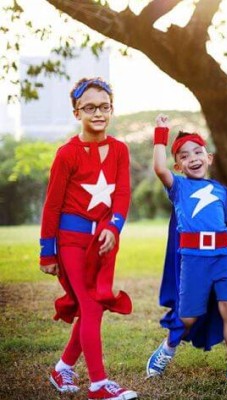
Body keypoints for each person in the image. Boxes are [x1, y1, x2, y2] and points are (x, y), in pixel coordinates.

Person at [39, 77, 137, 400]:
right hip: (70, 241)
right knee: (92, 306)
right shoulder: (67, 154)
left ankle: (63, 367)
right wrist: (47, 252)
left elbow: (122, 193)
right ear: (76, 112)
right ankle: (98, 384)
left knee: (91, 307)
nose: (98, 113)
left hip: (104, 243)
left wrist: (114, 227)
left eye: (104, 107)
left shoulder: (120, 150)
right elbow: (52, 204)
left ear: (112, 109)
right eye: (90, 107)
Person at [145, 114, 227, 387]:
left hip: (222, 257)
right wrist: (160, 133)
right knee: (188, 317)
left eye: (198, 152)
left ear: (209, 157)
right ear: (178, 165)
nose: (193, 158)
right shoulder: (178, 186)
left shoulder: (221, 191)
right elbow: (159, 168)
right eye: (184, 155)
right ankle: (167, 349)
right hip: (193, 260)